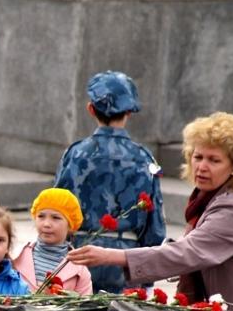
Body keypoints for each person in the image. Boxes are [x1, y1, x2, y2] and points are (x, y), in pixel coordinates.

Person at [68, 112, 233, 310]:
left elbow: (189, 252)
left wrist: (110, 256)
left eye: (214, 160)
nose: (202, 166)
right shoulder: (208, 199)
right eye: (198, 156)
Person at [54, 70, 165, 293]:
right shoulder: (144, 158)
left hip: (79, 255)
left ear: (90, 109)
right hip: (125, 260)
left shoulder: (75, 154)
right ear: (129, 113)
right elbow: (155, 228)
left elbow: (57, 207)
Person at [14, 188, 92, 294]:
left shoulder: (79, 270)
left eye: (56, 218)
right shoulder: (16, 256)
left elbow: (85, 307)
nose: (46, 224)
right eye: (41, 216)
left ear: (70, 225)